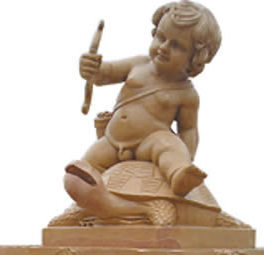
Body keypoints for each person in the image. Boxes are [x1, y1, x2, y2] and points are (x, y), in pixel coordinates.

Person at [78, 1, 221, 196]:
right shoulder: (138, 64)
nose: (164, 47)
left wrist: (186, 157)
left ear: (195, 59)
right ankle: (87, 194)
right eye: (161, 37)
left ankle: (179, 175)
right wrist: (91, 68)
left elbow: (189, 130)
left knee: (169, 146)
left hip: (150, 143)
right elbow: (105, 74)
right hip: (113, 140)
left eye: (177, 45)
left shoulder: (187, 94)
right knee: (86, 166)